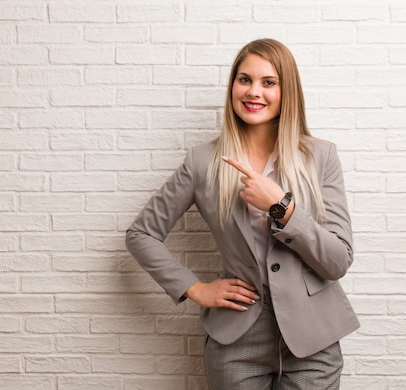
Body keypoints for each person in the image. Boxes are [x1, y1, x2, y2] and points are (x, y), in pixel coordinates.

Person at [125, 38, 359, 389]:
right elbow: (141, 234)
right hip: (237, 339)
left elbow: (338, 260)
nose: (254, 92)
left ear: (287, 91)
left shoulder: (321, 157)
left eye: (269, 82)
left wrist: (282, 208)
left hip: (313, 338)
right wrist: (195, 288)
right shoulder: (202, 162)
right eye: (244, 79)